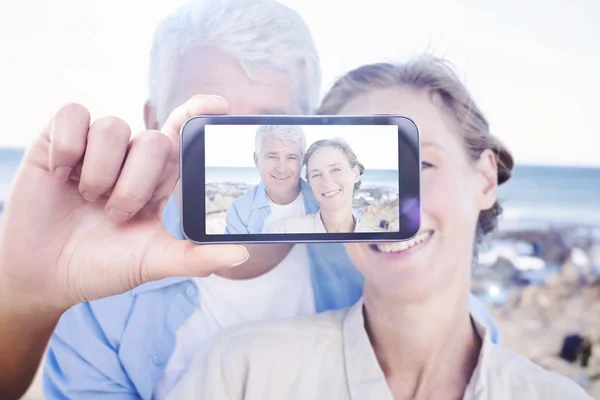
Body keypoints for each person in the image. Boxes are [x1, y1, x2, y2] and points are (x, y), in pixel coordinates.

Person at [0, 1, 496, 399]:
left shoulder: (368, 263)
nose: (250, 147)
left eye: (274, 121)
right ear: (155, 121)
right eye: (212, 123)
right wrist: (23, 294)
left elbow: (472, 355)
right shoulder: (98, 293)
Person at [166, 56, 593, 400]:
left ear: (483, 180)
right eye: (322, 174)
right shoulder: (240, 371)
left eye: (422, 163)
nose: (403, 200)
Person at [226, 124, 319, 235]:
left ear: (302, 162)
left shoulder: (322, 202)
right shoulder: (240, 211)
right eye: (272, 156)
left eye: (291, 157)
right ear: (257, 160)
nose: (282, 169)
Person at [264, 138, 370, 233]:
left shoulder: (374, 243)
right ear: (309, 183)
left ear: (355, 173)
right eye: (316, 175)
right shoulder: (283, 232)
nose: (327, 182)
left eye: (335, 170)